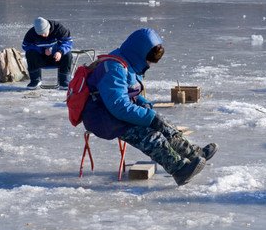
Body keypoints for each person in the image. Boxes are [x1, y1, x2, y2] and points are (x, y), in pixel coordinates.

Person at [81, 28, 218, 186]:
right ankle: (179, 169)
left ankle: (193, 154)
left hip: (114, 113)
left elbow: (128, 92)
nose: (150, 64)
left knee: (164, 125)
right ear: (139, 53)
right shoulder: (114, 68)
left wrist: (142, 103)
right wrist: (149, 117)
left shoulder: (128, 63)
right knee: (150, 136)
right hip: (101, 118)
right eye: (150, 60)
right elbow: (118, 105)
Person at [22, 17, 73, 90]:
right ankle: (35, 80)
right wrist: (42, 50)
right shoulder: (31, 33)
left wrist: (59, 52)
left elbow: (68, 42)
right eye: (40, 34)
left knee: (68, 54)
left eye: (44, 32)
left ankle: (64, 81)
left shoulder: (59, 29)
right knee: (30, 53)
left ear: (48, 28)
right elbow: (25, 46)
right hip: (40, 59)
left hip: (57, 58)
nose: (43, 35)